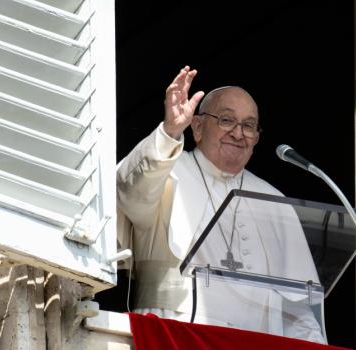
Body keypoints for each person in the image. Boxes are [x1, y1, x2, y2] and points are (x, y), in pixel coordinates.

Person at [116, 66, 325, 343]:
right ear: (198, 127)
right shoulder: (165, 169)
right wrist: (169, 131)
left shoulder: (274, 200)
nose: (239, 134)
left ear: (257, 139)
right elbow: (130, 190)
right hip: (174, 334)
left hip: (257, 343)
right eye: (227, 120)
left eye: (249, 125)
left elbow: (298, 306)